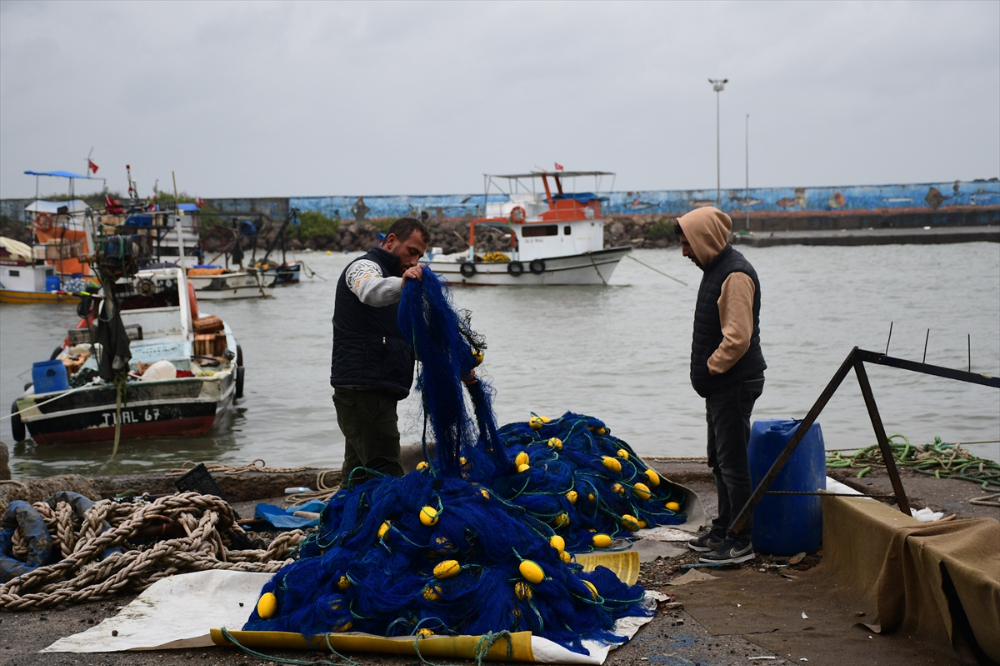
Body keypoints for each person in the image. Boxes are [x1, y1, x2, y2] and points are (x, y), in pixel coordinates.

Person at [676, 207, 766, 564]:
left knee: (733, 462)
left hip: (734, 381)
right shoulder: (716, 268)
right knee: (719, 459)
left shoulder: (735, 275)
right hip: (721, 384)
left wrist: (711, 369)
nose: (684, 252)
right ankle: (724, 527)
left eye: (687, 244)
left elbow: (738, 339)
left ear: (705, 239)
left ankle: (741, 538)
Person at [331, 217, 429, 485]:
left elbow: (412, 340)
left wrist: (458, 362)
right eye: (411, 251)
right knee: (388, 477)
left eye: (420, 256)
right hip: (363, 391)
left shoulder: (398, 287)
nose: (414, 261)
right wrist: (403, 284)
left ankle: (344, 524)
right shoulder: (363, 267)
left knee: (359, 477)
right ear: (391, 240)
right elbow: (370, 290)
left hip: (376, 393)